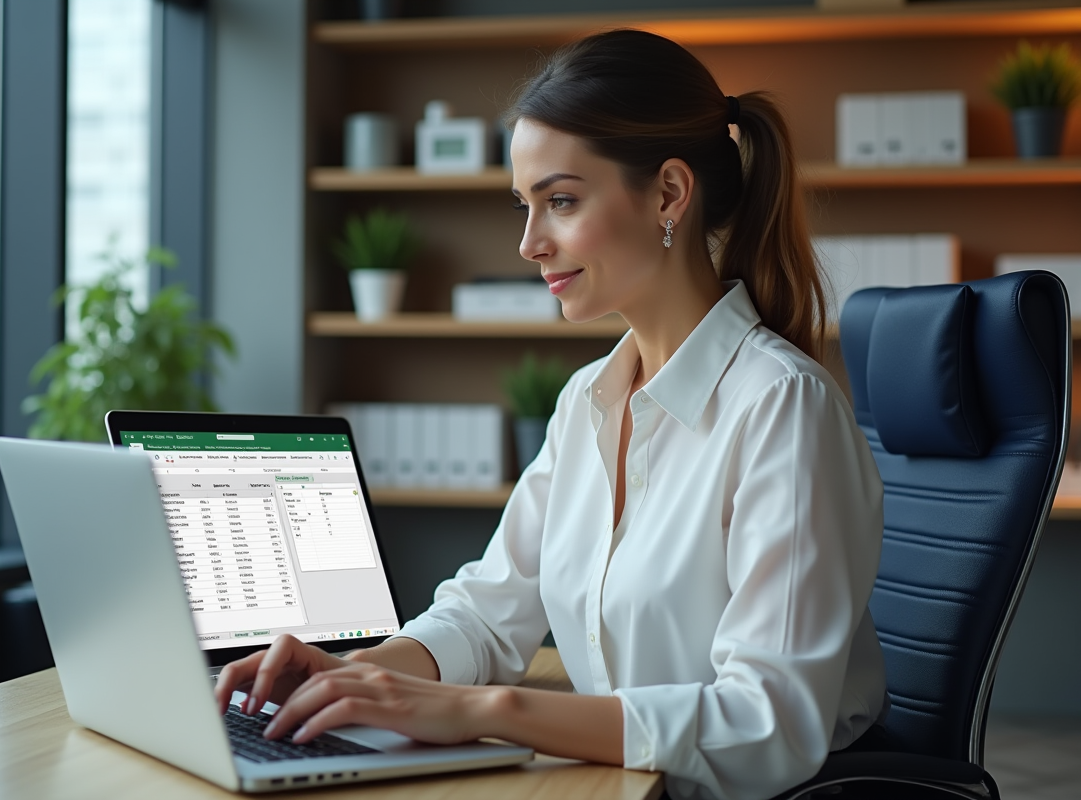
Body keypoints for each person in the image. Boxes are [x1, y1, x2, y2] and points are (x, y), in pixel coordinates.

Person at [215, 29, 887, 800]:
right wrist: (353, 674)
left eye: (560, 201)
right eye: (525, 205)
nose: (530, 243)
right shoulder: (585, 401)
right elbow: (485, 614)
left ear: (669, 194)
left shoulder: (781, 407)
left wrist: (489, 711)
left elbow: (768, 724)